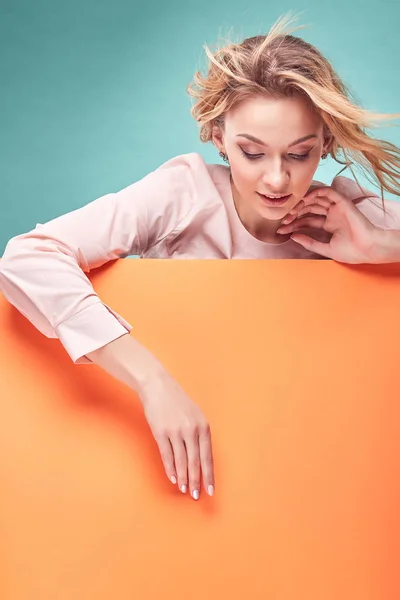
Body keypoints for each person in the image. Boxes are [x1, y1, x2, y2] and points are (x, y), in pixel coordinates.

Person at [1, 14, 400, 502]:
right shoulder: (184, 195)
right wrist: (153, 383)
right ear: (217, 137)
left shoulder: (348, 214)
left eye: (298, 155)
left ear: (327, 143)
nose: (277, 180)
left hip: (309, 486)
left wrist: (381, 246)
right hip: (171, 480)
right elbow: (28, 255)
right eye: (252, 153)